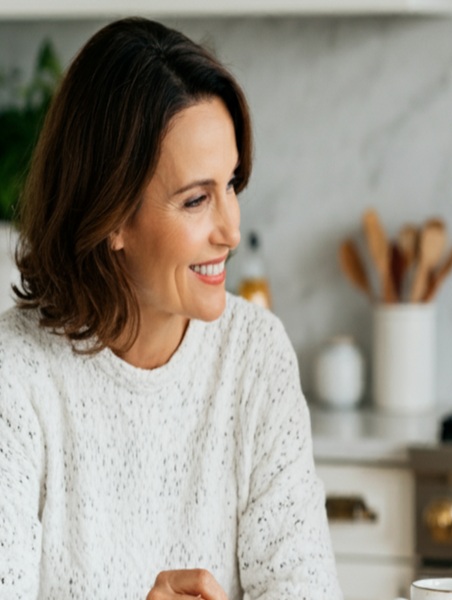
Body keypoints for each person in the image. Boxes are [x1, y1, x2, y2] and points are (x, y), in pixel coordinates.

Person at [0, 17, 342, 600]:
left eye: (231, 184)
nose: (231, 230)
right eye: (196, 200)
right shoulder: (17, 376)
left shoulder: (255, 355)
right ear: (111, 217)